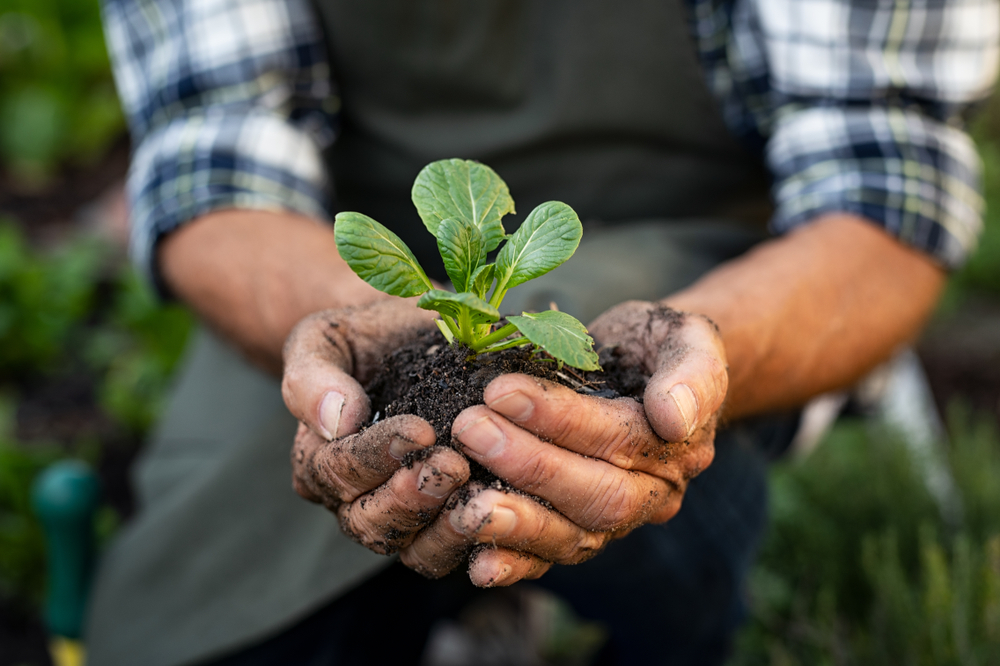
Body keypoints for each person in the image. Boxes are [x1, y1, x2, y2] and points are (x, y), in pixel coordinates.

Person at [87, 0, 999, 664]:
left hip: (713, 260)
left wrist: (709, 354)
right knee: (212, 607)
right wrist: (346, 334)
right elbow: (212, 154)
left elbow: (880, 190)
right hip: (329, 271)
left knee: (646, 519)